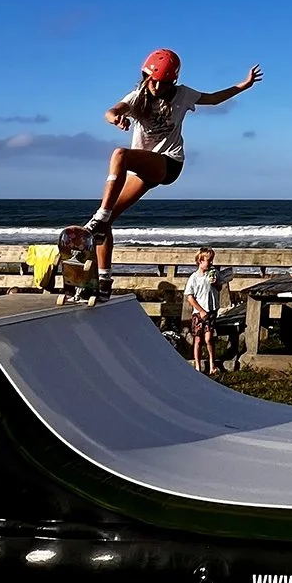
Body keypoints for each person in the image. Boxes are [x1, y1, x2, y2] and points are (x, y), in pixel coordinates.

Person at [85, 49, 262, 300]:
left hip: (169, 163)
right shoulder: (137, 97)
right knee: (108, 221)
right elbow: (111, 111)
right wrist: (116, 119)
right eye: (152, 80)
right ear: (145, 75)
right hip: (146, 168)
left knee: (119, 155)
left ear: (173, 82)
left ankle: (100, 218)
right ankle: (104, 281)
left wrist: (243, 86)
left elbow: (213, 99)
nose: (156, 86)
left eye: (163, 83)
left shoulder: (183, 94)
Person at [184, 248, 221, 376]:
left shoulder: (214, 273)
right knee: (198, 340)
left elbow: (219, 287)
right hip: (198, 312)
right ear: (200, 261)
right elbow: (190, 297)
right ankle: (198, 365)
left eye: (212, 261)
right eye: (208, 261)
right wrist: (200, 310)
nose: (211, 263)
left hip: (211, 310)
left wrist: (216, 284)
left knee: (209, 338)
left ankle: (212, 364)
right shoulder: (194, 277)